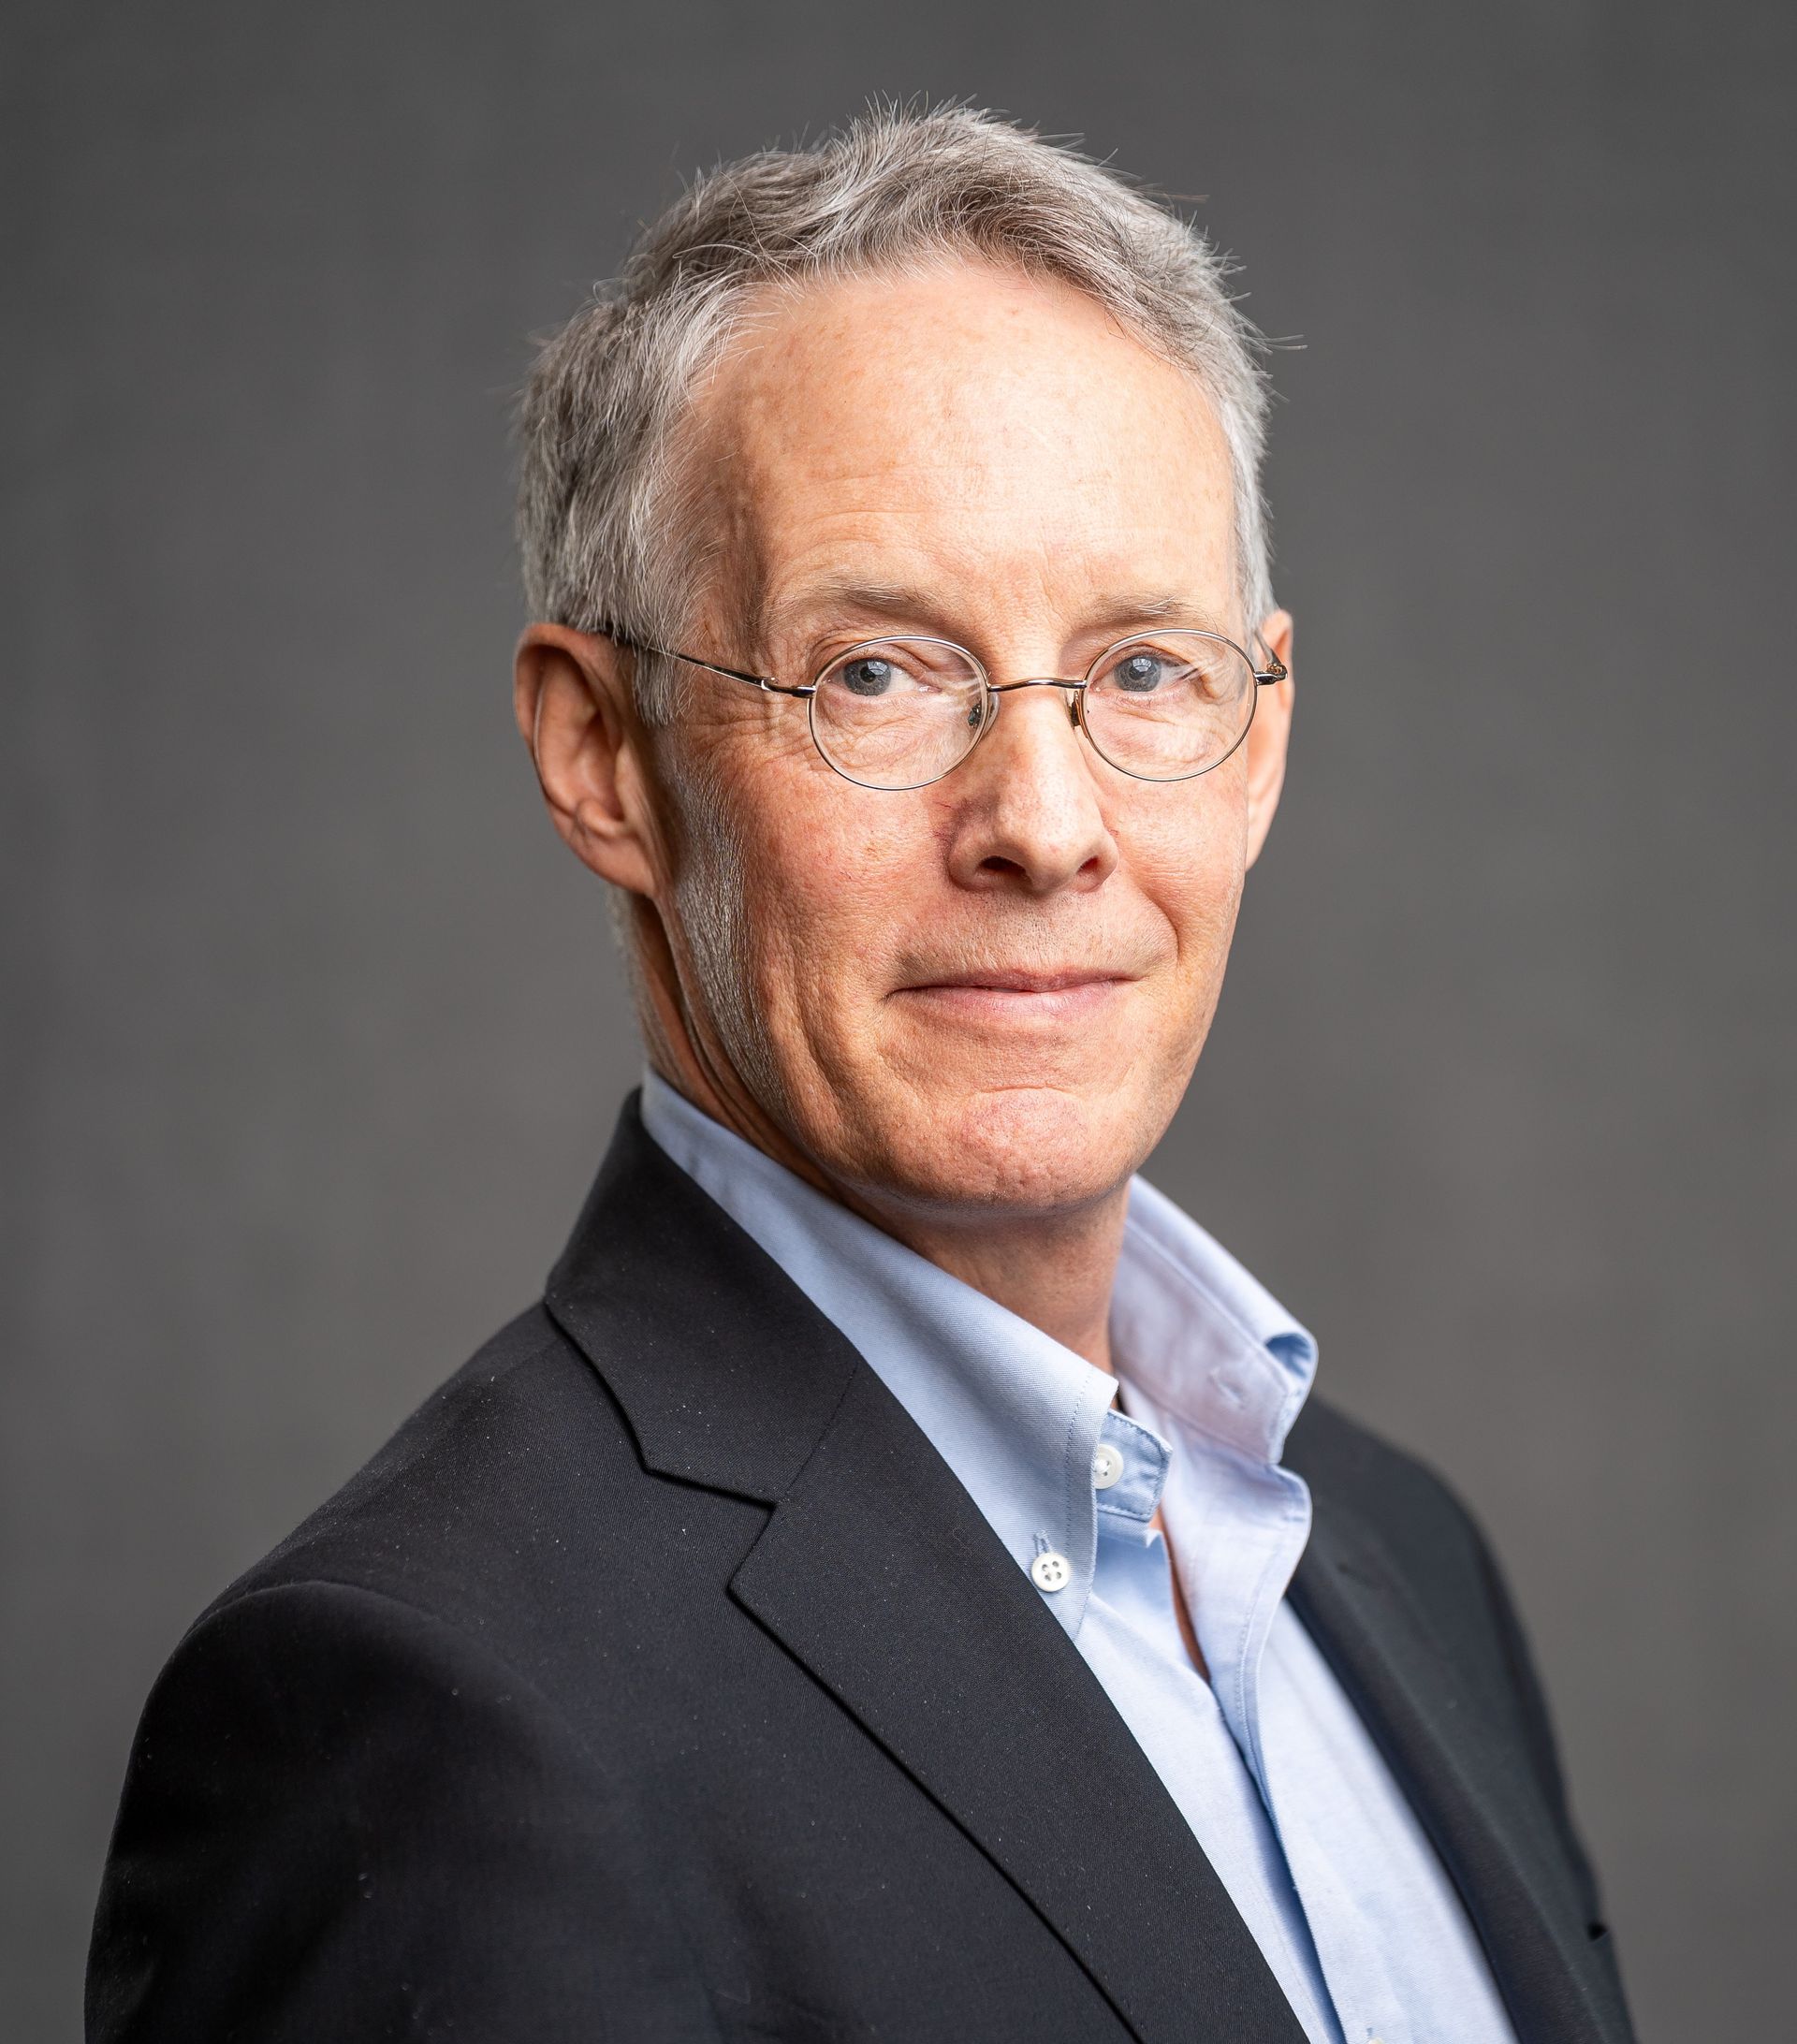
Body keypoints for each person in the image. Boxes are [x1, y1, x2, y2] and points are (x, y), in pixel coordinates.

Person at [87, 107, 1636, 2043]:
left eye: (1147, 669)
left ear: (1262, 741)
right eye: (881, 675)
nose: (1048, 826)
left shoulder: (1397, 1557)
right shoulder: (430, 1715)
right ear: (603, 757)